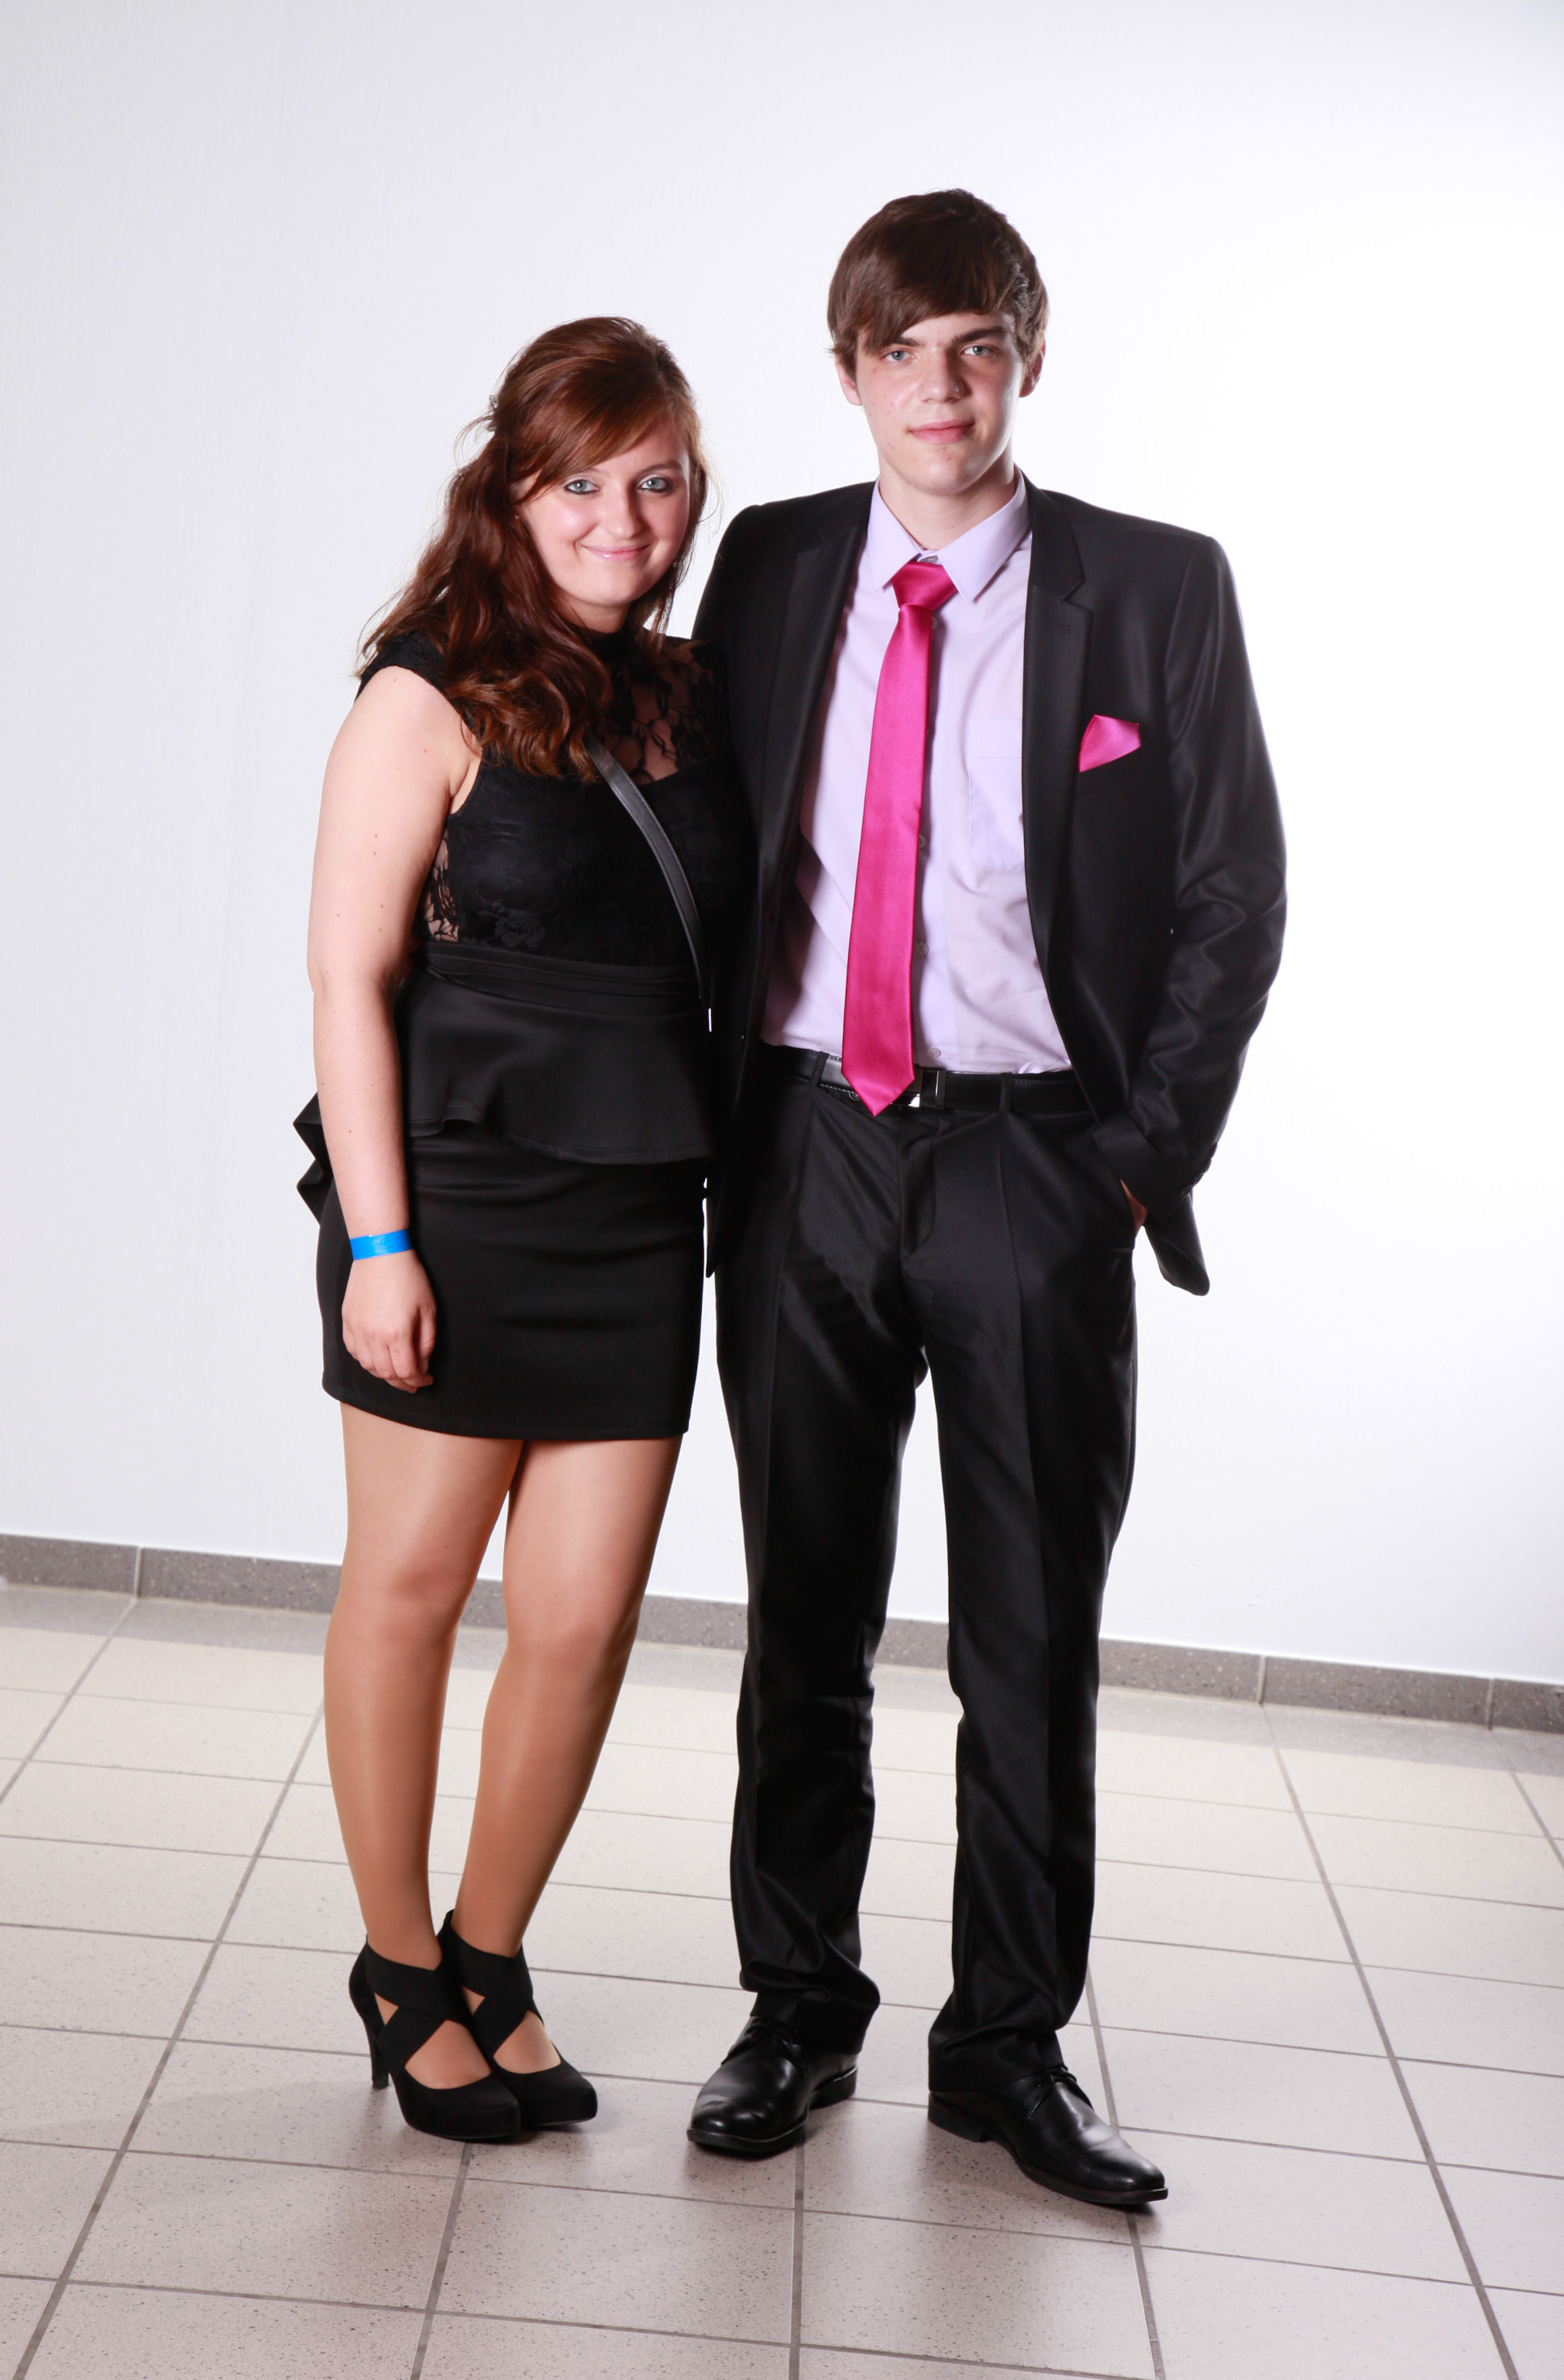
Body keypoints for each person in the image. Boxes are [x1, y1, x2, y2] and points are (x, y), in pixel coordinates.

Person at [686, 191, 1286, 2206]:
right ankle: (799, 2006)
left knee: (1028, 1635)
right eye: (901, 350)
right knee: (805, 1613)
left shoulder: (1153, 587)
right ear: (847, 369)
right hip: (806, 1149)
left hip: (1034, 1161)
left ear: (1027, 358)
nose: (938, 387)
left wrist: (1132, 1161)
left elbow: (1232, 888)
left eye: (975, 346)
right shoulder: (771, 565)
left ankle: (1006, 2047)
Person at [303, 318, 748, 2142]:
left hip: (640, 1201)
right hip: (458, 1198)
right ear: (512, 489)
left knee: (578, 1621)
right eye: (582, 483)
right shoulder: (424, 695)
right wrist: (380, 1248)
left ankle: (492, 1955)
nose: (621, 519)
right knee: (410, 1590)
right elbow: (348, 979)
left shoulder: (690, 696)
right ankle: (398, 1965)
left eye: (657, 483)